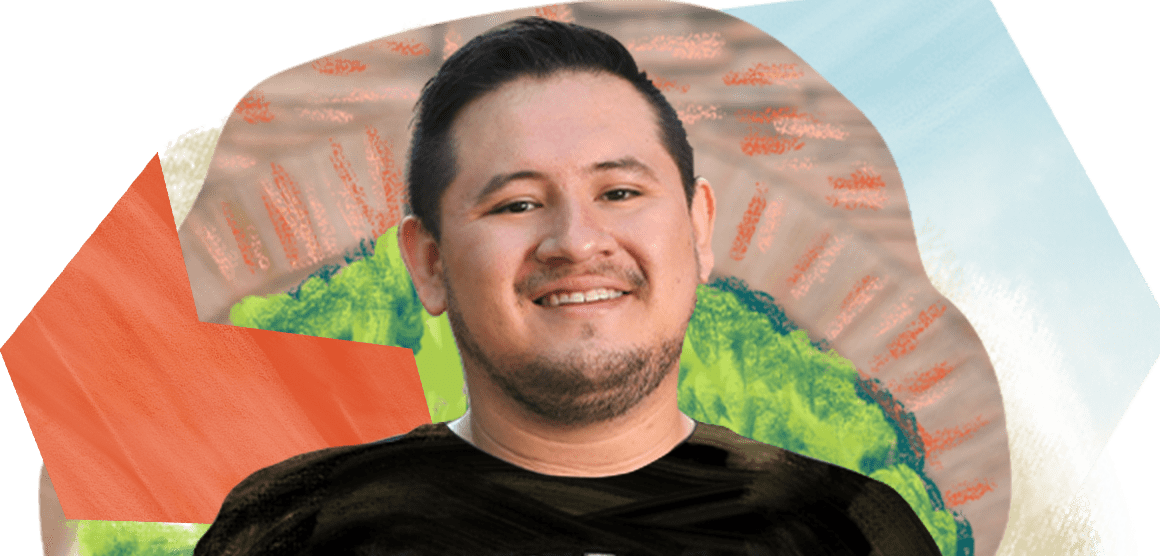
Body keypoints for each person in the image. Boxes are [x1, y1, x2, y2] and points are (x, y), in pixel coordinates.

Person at [192, 17, 941, 555]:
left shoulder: (845, 529)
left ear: (699, 228)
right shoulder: (295, 529)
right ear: (430, 263)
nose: (577, 241)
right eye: (516, 204)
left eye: (619, 193)